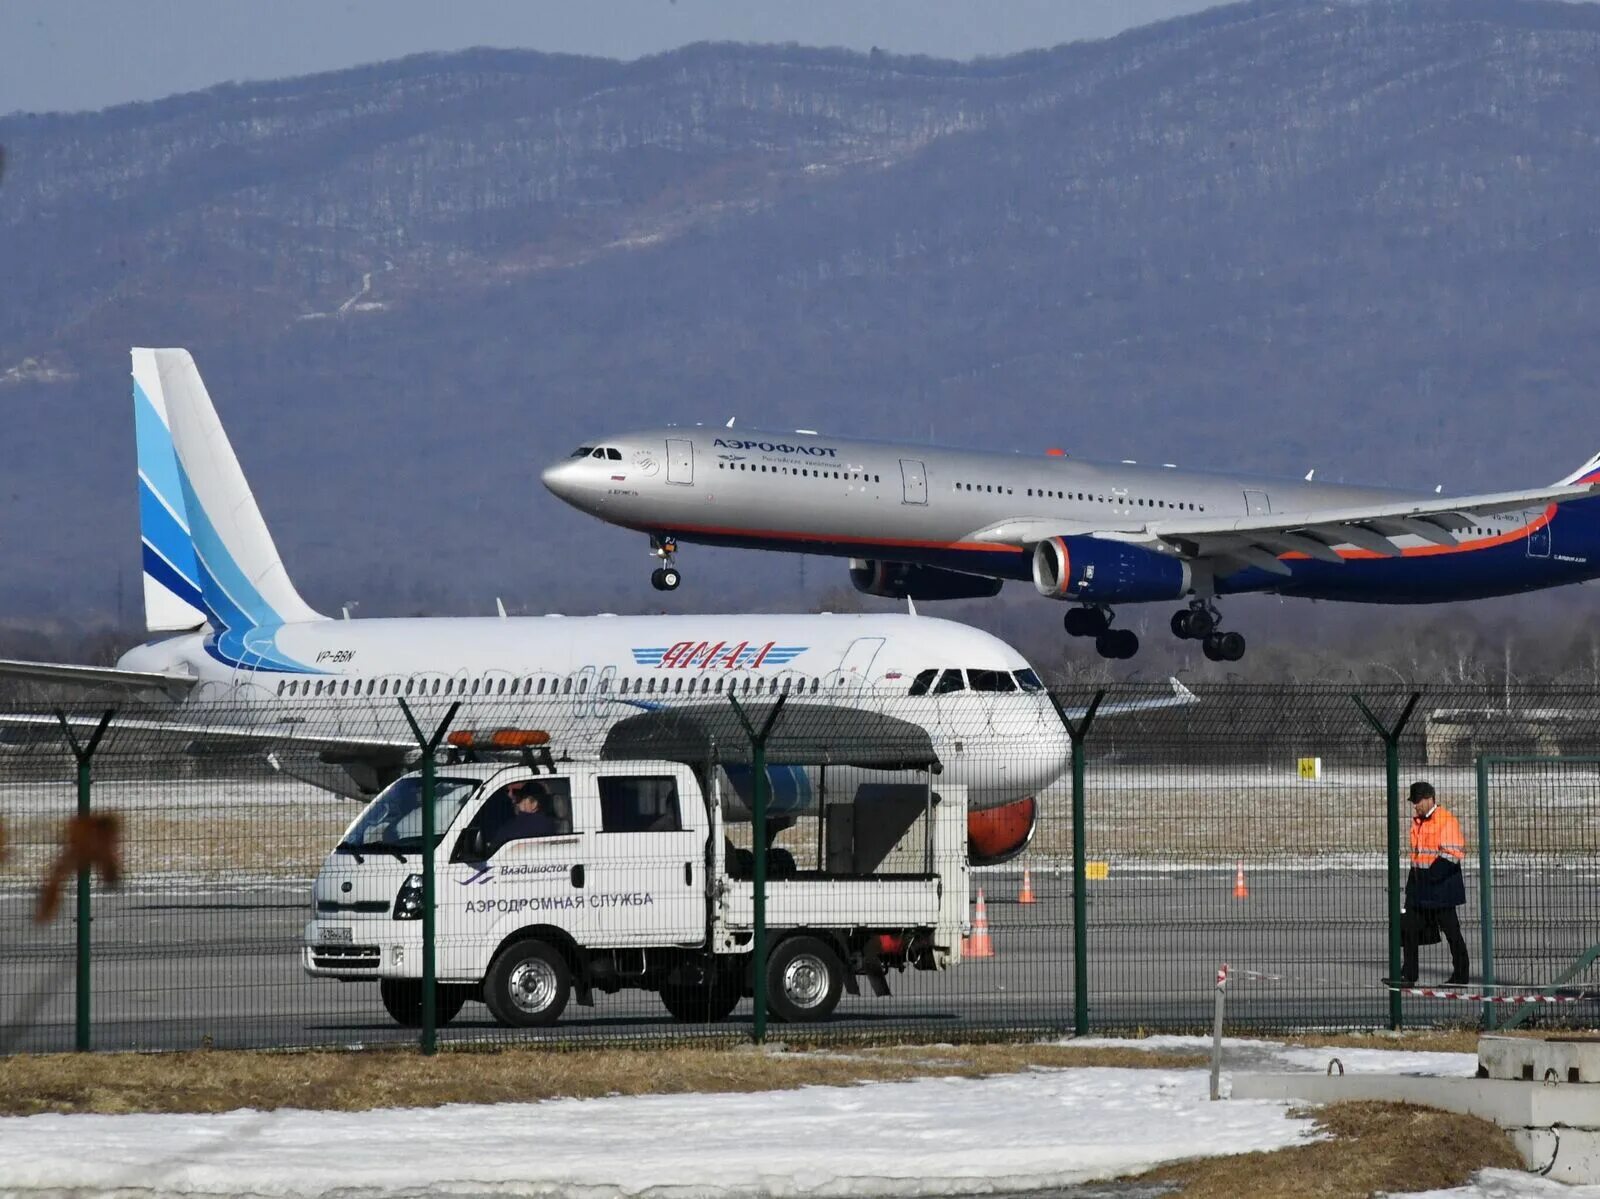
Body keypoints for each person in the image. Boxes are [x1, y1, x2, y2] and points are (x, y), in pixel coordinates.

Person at [1396, 780, 1470, 986]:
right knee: (1408, 927)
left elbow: (1453, 854)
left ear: (1430, 799)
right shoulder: (1419, 821)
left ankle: (1461, 975)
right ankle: (1408, 974)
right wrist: (1415, 881)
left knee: (1451, 931)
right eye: (1414, 801)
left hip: (1441, 886)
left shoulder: (1446, 820)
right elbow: (1419, 854)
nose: (1415, 805)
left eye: (1418, 801)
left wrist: (1430, 878)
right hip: (1421, 884)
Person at [488, 780, 559, 851]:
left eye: (519, 797)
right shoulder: (545, 821)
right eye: (507, 790)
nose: (512, 797)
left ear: (534, 803)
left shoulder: (534, 823)